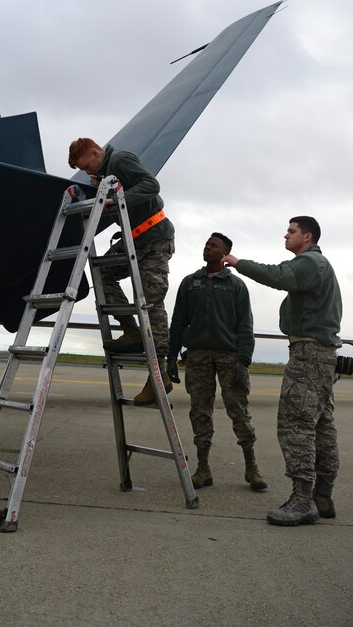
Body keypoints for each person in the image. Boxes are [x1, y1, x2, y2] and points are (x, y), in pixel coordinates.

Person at [223, 216, 341, 526]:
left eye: (291, 231)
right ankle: (322, 496)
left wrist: (238, 262)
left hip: (308, 354)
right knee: (321, 424)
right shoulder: (318, 265)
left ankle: (303, 500)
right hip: (322, 354)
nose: (285, 236)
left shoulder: (310, 263)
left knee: (295, 424)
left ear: (308, 235)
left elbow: (278, 275)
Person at [68, 137, 174, 397]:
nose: (87, 172)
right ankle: (130, 329)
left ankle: (159, 375)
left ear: (95, 152)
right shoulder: (103, 176)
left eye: (87, 166)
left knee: (152, 302)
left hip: (155, 239)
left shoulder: (120, 160)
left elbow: (151, 185)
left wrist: (117, 201)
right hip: (134, 238)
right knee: (103, 273)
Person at [168, 233, 267, 491]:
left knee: (239, 411)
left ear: (224, 255)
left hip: (229, 357)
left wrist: (243, 359)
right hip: (197, 356)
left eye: (213, 246)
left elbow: (246, 324)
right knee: (200, 411)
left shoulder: (236, 286)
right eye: (206, 244)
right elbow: (178, 321)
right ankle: (203, 468)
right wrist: (171, 357)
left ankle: (251, 467)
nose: (207, 248)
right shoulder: (190, 283)